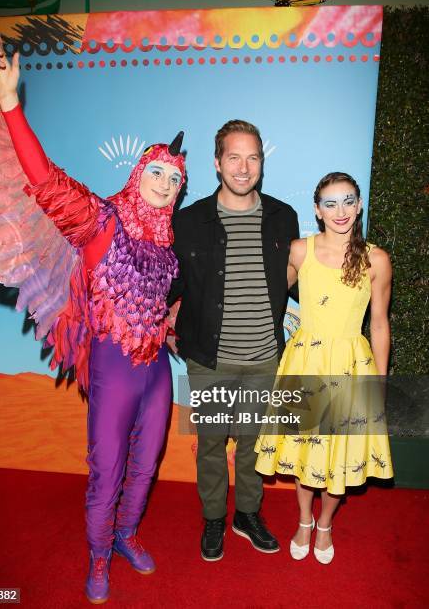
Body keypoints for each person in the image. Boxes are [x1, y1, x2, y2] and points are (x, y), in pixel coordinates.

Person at [0, 1, 185, 603]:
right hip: (111, 365)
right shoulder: (99, 222)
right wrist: (9, 104)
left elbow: (160, 300)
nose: (166, 184)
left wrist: (170, 326)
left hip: (156, 368)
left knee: (147, 465)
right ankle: (100, 556)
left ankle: (129, 534)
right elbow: (47, 181)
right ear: (140, 174)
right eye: (158, 172)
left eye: (176, 180)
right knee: (107, 469)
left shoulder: (167, 246)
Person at [168, 120, 300, 561]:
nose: (244, 168)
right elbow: (170, 283)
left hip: (265, 357)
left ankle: (246, 514)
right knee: (209, 444)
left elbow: (302, 278)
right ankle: (213, 519)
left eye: (253, 157)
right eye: (234, 157)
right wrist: (163, 319)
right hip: (211, 358)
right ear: (217, 162)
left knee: (251, 442)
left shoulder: (284, 217)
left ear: (262, 161)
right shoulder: (188, 221)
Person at [255, 172, 394, 564]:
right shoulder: (299, 251)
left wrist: (379, 382)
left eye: (348, 201)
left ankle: (326, 522)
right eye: (330, 203)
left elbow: (380, 323)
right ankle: (303, 519)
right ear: (317, 210)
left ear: (360, 204)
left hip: (352, 365)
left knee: (340, 455)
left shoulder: (376, 259)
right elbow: (271, 299)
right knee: (305, 451)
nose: (340, 211)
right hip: (306, 361)